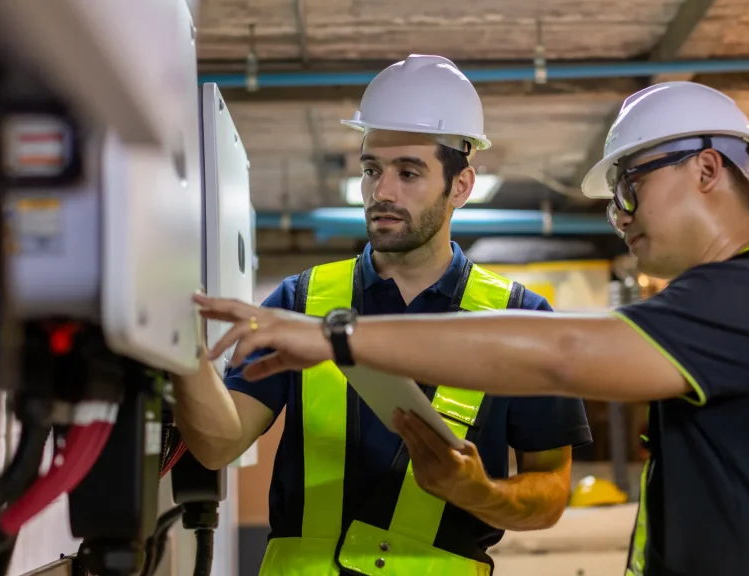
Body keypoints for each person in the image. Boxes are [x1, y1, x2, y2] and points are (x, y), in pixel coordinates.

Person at [193, 81, 749, 576]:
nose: (621, 216)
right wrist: (172, 344)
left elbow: (565, 355)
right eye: (373, 170)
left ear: (708, 168)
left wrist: (337, 339)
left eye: (629, 187)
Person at [174, 54, 592, 576]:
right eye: (372, 170)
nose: (382, 192)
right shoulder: (299, 300)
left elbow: (550, 493)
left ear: (461, 186)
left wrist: (479, 491)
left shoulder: (521, 318)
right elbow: (218, 445)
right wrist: (176, 334)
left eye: (408, 172)